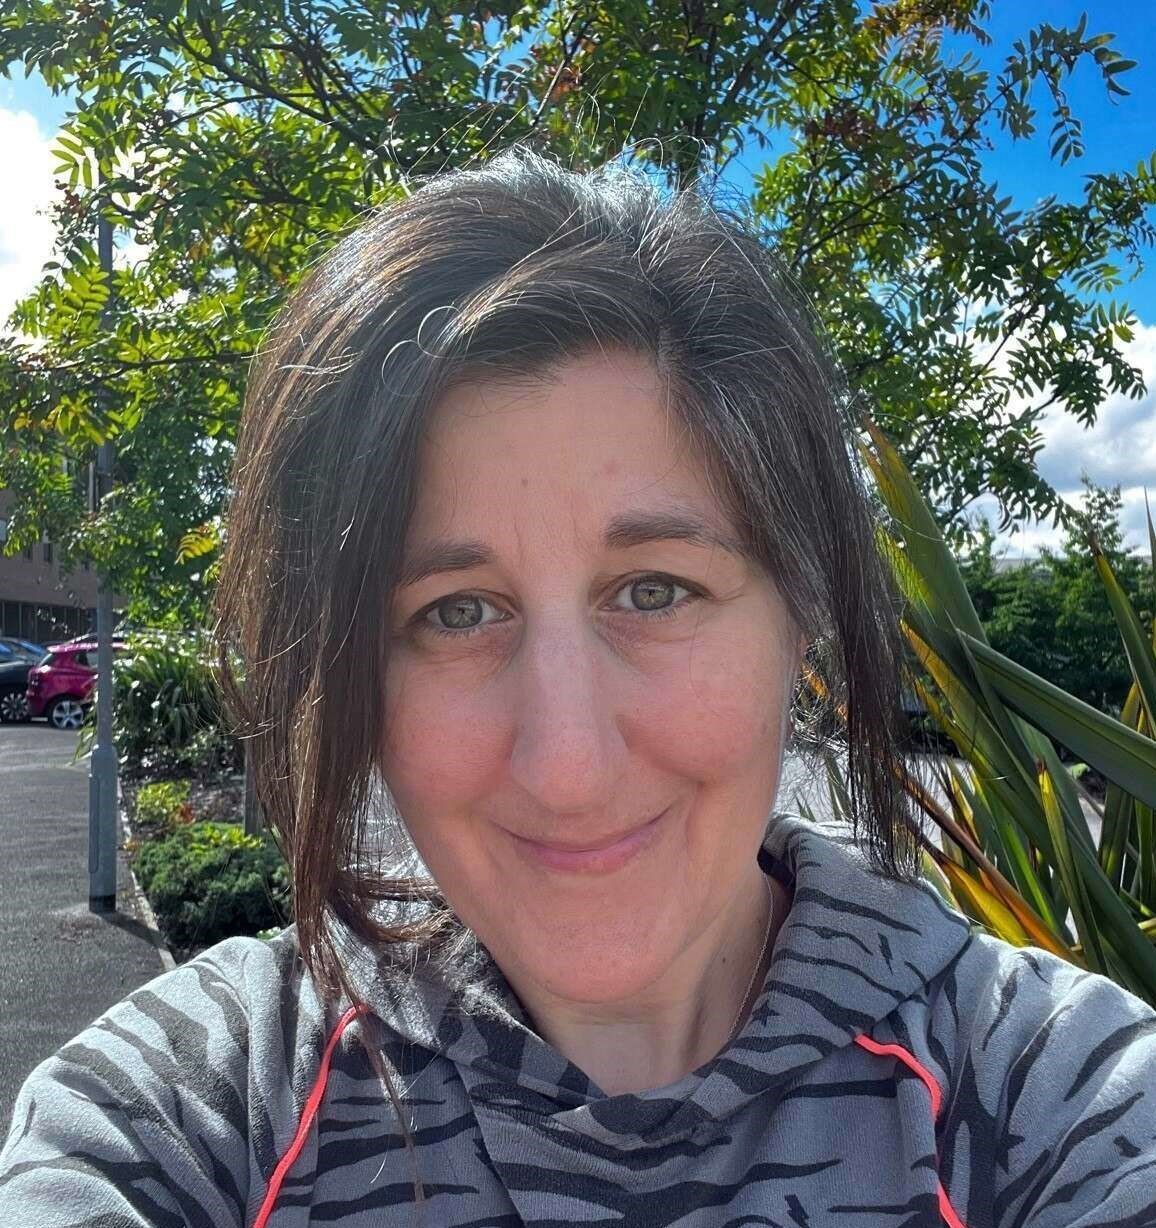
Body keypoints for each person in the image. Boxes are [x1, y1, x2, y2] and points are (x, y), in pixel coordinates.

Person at [2, 146, 1154, 1228]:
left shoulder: (1054, 1103)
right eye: (455, 612)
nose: (566, 764)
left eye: (653, 590)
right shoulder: (195, 1113)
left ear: (797, 612)